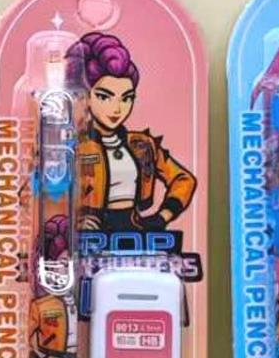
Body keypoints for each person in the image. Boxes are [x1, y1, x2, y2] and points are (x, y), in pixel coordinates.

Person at [70, 32, 196, 232]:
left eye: (126, 98)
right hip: (90, 234)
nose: (117, 108)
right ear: (84, 96)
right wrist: (73, 221)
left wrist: (163, 216)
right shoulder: (73, 145)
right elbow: (44, 191)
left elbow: (184, 180)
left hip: (135, 229)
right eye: (104, 97)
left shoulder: (142, 145)